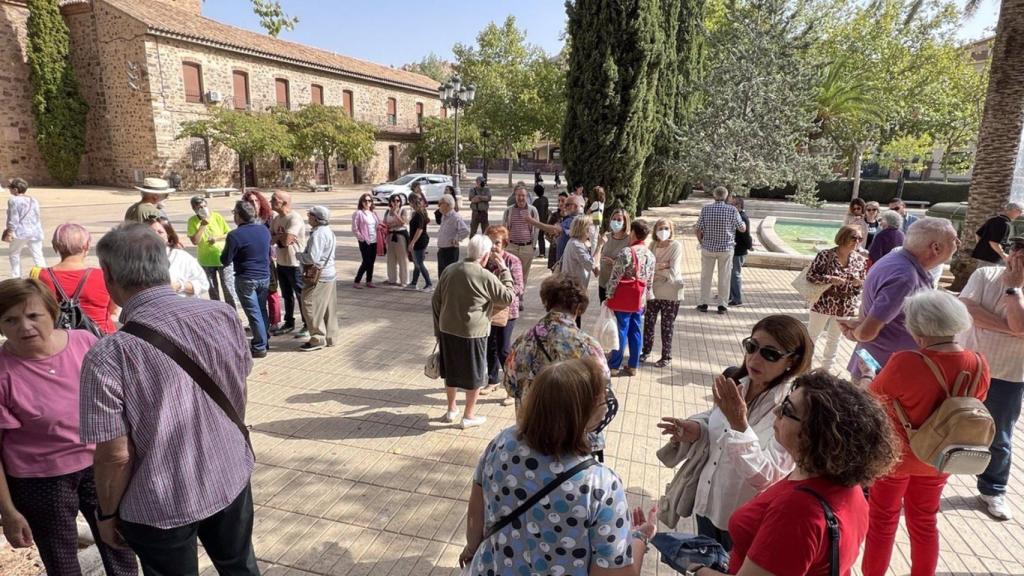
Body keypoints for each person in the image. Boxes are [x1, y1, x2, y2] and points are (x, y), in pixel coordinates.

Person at [79, 223, 259, 576]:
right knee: (239, 567)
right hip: (229, 470)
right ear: (164, 266)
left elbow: (115, 455)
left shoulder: (108, 355)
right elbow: (239, 387)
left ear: (109, 276)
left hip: (159, 500)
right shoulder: (221, 315)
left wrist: (107, 514)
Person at [686, 371, 900, 576]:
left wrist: (694, 569)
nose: (776, 411)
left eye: (787, 409)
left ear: (815, 435)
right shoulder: (849, 487)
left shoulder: (796, 512)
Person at [462, 358, 657, 576]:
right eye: (602, 401)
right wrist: (639, 538)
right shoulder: (601, 485)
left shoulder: (501, 442)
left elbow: (475, 513)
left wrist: (472, 549)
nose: (607, 406)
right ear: (581, 414)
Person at [0, 279, 139, 576]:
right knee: (61, 562)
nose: (24, 327)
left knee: (121, 547)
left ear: (51, 313)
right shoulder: (3, 371)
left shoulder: (84, 342)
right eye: (10, 320)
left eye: (33, 315)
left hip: (101, 467)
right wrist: (8, 511)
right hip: (40, 480)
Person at [858, 290, 989, 576]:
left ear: (918, 328)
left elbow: (871, 399)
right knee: (925, 520)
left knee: (882, 520)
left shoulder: (905, 361)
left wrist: (867, 374)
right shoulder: (979, 363)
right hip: (939, 457)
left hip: (895, 457)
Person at [658, 315, 813, 550]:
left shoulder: (793, 409)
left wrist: (739, 424)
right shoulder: (737, 381)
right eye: (752, 346)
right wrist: (698, 429)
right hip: (708, 502)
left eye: (770, 353)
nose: (755, 358)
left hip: (746, 520)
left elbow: (768, 475)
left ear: (791, 361)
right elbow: (715, 421)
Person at [840, 217, 960, 378]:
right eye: (953, 239)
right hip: (882, 373)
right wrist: (854, 333)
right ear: (936, 248)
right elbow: (867, 333)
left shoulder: (896, 261)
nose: (958, 243)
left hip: (879, 366)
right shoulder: (905, 278)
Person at [959, 236, 1024, 521]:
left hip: (1009, 375)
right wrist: (1012, 329)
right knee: (945, 424)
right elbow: (968, 311)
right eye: (1016, 248)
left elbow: (1021, 325)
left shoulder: (1012, 286)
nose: (1017, 255)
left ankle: (993, 490)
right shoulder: (984, 274)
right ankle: (928, 481)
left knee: (1000, 436)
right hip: (968, 367)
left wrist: (1014, 290)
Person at [504, 275, 611, 438]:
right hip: (573, 436)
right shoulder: (588, 346)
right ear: (578, 309)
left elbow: (510, 386)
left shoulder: (523, 340)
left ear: (547, 303)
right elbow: (603, 390)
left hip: (531, 432)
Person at [432, 235, 514, 429]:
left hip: (447, 328)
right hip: (473, 333)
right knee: (475, 374)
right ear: (485, 256)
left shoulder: (450, 269)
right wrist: (504, 270)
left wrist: (438, 329)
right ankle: (468, 415)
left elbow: (436, 300)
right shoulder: (484, 275)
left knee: (450, 371)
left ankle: (451, 409)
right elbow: (508, 297)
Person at [36, 223, 119, 334]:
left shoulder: (40, 276)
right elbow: (113, 311)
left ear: (55, 246)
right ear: (87, 246)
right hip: (100, 339)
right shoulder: (104, 275)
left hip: (60, 340)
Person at [805, 225, 867, 372]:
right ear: (843, 237)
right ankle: (804, 367)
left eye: (860, 238)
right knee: (812, 336)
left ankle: (826, 370)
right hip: (823, 302)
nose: (857, 241)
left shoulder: (860, 260)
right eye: (854, 237)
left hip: (845, 305)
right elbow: (811, 276)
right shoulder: (825, 255)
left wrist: (859, 283)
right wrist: (829, 279)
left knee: (834, 339)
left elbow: (862, 284)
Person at [222, 200, 272, 358]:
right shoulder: (264, 230)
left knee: (254, 312)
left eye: (234, 213)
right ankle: (264, 339)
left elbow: (225, 260)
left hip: (246, 277)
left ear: (239, 215)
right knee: (262, 309)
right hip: (264, 275)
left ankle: (259, 346)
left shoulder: (235, 235)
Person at [606, 220, 656, 377]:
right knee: (635, 330)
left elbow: (615, 277)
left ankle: (614, 365)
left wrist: (608, 295)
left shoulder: (626, 252)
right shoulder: (650, 255)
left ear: (634, 232)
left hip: (623, 298)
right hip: (639, 299)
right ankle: (633, 365)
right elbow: (649, 281)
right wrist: (647, 298)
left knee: (621, 330)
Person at [482, 226, 524, 395]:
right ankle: (492, 380)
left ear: (504, 243)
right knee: (489, 346)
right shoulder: (484, 260)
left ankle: (512, 387)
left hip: (508, 311)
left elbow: (519, 287)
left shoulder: (512, 260)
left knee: (504, 349)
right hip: (488, 310)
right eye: (490, 242)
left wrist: (502, 272)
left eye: (497, 242)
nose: (493, 246)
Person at [695, 186, 746, 314]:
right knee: (724, 277)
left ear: (714, 195)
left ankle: (703, 303)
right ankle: (722, 305)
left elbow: (698, 228)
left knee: (706, 276)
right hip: (726, 249)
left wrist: (701, 241)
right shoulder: (732, 210)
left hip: (708, 248)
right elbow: (742, 229)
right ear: (726, 196)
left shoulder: (706, 209)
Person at [642, 219, 684, 367]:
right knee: (648, 324)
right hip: (652, 292)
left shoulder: (676, 246)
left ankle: (666, 356)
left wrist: (656, 269)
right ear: (655, 230)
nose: (663, 231)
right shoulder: (652, 245)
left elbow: (673, 272)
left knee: (667, 327)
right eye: (660, 228)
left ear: (671, 230)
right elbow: (646, 267)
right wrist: (661, 266)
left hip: (671, 293)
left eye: (666, 228)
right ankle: (645, 351)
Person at [299, 206, 338, 352]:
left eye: (309, 215)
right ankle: (331, 337)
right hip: (330, 273)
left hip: (319, 276)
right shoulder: (328, 231)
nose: (308, 217)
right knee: (329, 307)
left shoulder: (318, 234)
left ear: (316, 218)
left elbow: (312, 258)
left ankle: (317, 338)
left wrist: (299, 255)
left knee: (308, 303)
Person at [187, 196, 236, 307]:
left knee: (229, 289)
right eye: (199, 207)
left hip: (222, 258)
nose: (203, 209)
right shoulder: (192, 221)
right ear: (194, 209)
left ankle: (233, 313)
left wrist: (217, 238)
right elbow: (195, 241)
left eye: (205, 206)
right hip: (206, 260)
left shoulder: (217, 217)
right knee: (212, 290)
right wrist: (203, 225)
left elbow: (228, 233)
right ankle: (218, 313)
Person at [270, 191, 307, 335]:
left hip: (295, 264)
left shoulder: (294, 218)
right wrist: (281, 236)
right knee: (286, 294)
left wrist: (278, 237)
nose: (271, 201)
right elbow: (270, 239)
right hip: (281, 262)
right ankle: (289, 322)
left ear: (284, 202)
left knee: (301, 295)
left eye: (274, 199)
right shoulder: (276, 219)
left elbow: (286, 241)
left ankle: (307, 323)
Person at [149, 218, 209, 298]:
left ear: (168, 236)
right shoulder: (137, 259)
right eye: (151, 232)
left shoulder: (182, 257)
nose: (155, 236)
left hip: (182, 306)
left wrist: (180, 285)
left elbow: (203, 284)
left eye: (160, 232)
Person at [3, 178, 45, 278]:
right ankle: (44, 277)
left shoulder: (13, 201)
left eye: (11, 188)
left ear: (16, 190)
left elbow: (13, 219)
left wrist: (10, 232)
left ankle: (16, 277)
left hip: (20, 232)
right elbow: (37, 216)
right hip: (35, 231)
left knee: (14, 254)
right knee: (38, 255)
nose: (10, 190)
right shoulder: (33, 200)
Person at [502, 184, 540, 289]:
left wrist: (533, 246)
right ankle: (511, 298)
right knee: (510, 275)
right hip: (511, 247)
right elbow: (503, 228)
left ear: (527, 196)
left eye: (523, 195)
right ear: (515, 196)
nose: (521, 198)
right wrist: (504, 245)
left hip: (526, 248)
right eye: (518, 195)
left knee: (523, 276)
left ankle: (520, 299)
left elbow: (537, 228)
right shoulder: (508, 210)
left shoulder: (532, 210)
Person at [558, 217, 597, 311]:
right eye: (589, 228)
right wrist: (600, 246)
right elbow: (590, 264)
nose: (591, 230)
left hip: (574, 288)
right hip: (573, 290)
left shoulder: (578, 243)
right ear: (584, 229)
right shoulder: (576, 245)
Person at [972, 202, 1023, 266]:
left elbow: (978, 234)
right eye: (1020, 211)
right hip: (991, 257)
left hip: (983, 255)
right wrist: (1003, 255)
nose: (1020, 214)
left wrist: (983, 246)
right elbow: (994, 243)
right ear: (1013, 210)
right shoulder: (1004, 224)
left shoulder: (992, 219)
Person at [597, 209, 631, 302]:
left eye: (619, 220)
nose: (615, 222)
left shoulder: (629, 240)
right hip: (603, 282)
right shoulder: (606, 237)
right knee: (604, 313)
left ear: (625, 223)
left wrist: (614, 263)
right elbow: (596, 257)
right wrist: (599, 246)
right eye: (614, 219)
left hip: (618, 284)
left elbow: (630, 264)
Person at [351, 192, 381, 289]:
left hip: (374, 240)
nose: (367, 202)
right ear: (361, 202)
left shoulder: (373, 213)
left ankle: (369, 280)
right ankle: (357, 281)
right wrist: (361, 238)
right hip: (365, 241)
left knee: (371, 261)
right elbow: (355, 228)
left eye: (369, 200)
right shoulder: (358, 213)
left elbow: (377, 225)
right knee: (366, 261)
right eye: (365, 201)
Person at [436, 193, 470, 277]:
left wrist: (456, 238)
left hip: (450, 250)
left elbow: (465, 230)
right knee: (442, 275)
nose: (439, 206)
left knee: (449, 275)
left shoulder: (455, 217)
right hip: (442, 249)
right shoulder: (444, 216)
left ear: (447, 205)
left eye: (441, 204)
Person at [405, 193, 433, 291]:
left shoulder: (420, 213)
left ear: (412, 202)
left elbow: (420, 229)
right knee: (416, 263)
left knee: (419, 263)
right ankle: (413, 283)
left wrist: (412, 242)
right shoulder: (418, 212)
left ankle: (429, 284)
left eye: (410, 202)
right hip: (418, 241)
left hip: (420, 241)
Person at [728, 196, 752, 306]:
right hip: (736, 249)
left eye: (732, 204)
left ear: (738, 206)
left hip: (739, 250)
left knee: (735, 274)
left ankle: (737, 299)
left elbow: (745, 235)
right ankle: (729, 295)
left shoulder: (742, 217)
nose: (730, 206)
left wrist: (748, 246)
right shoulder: (738, 216)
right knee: (731, 273)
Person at [382, 194, 410, 287]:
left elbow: (403, 222)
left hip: (400, 236)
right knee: (391, 258)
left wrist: (395, 214)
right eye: (394, 201)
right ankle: (392, 279)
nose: (396, 203)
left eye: (398, 201)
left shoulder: (403, 210)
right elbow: (385, 224)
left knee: (402, 258)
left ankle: (404, 280)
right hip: (390, 236)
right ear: (390, 202)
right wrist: (394, 224)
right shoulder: (387, 212)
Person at [546, 192, 568, 270]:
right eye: (558, 201)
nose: (560, 203)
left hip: (567, 250)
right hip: (555, 250)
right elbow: (547, 233)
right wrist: (554, 237)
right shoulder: (554, 216)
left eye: (563, 201)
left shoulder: (571, 216)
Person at [533, 184, 550, 256]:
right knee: (541, 237)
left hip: (538, 221)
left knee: (538, 237)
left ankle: (540, 252)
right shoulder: (545, 199)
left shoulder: (536, 202)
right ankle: (542, 252)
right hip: (545, 220)